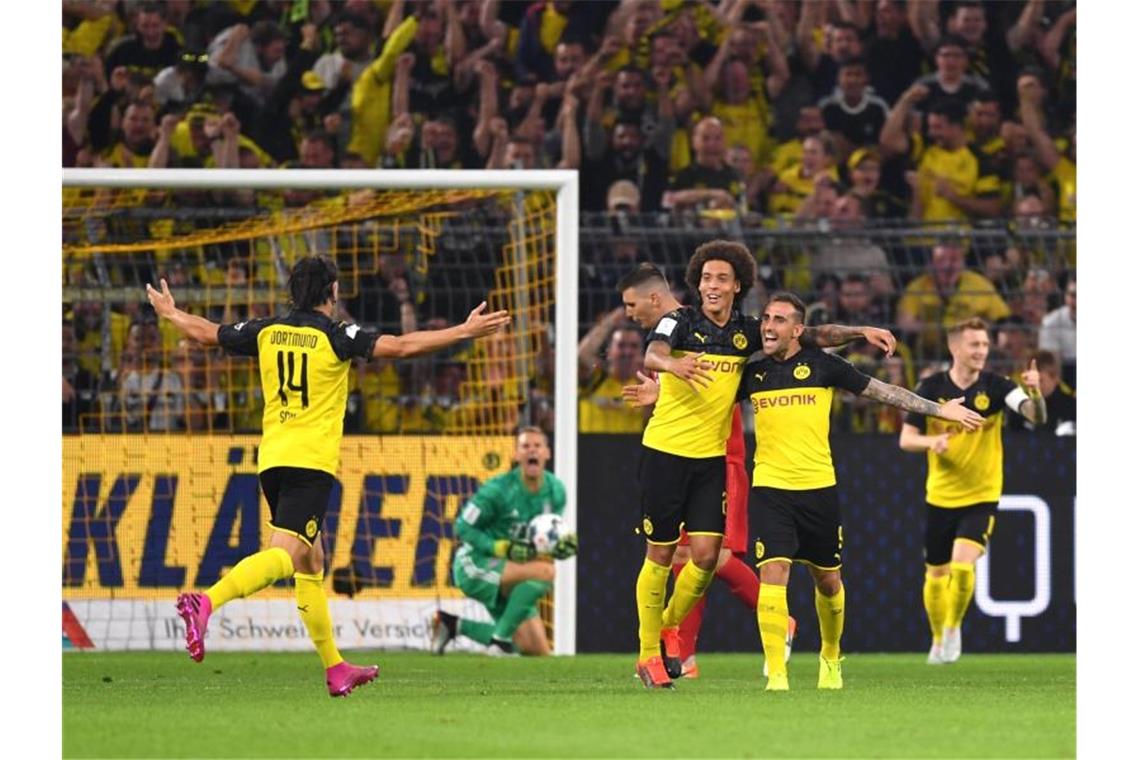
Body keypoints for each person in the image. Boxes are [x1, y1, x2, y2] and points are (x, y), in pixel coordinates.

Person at [147, 255, 509, 697]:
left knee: (311, 561)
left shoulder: (265, 330)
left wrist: (170, 313)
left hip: (273, 460)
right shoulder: (335, 336)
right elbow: (399, 347)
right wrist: (463, 331)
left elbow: (206, 334)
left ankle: (335, 668)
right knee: (287, 553)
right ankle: (205, 602)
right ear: (332, 293)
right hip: (310, 463)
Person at [617, 249, 894, 689]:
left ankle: (668, 626)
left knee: (707, 558)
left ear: (737, 286)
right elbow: (654, 351)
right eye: (706, 277)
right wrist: (672, 368)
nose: (712, 285)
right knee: (662, 553)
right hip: (665, 453)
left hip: (709, 460)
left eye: (721, 279)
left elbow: (814, 334)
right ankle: (649, 653)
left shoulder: (748, 333)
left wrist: (861, 330)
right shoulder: (680, 321)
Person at [742, 293, 983, 691]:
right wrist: (659, 395)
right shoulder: (752, 374)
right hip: (771, 487)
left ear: (798, 330)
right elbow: (711, 399)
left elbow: (885, 391)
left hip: (818, 488)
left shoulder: (825, 365)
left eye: (779, 320)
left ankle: (831, 655)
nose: (768, 326)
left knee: (828, 581)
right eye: (766, 318)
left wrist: (939, 410)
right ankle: (777, 675)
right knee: (774, 571)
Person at [898, 318, 1046, 666]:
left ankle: (952, 629)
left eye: (984, 344)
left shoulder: (998, 387)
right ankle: (937, 639)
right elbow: (906, 439)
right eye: (974, 344)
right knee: (936, 575)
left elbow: (1034, 415)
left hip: (981, 494)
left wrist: (1035, 392)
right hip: (940, 496)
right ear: (955, 348)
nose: (982, 351)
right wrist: (932, 440)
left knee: (962, 568)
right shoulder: (930, 387)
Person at [430, 427, 578, 656]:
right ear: (516, 455)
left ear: (547, 453)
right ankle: (499, 642)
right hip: (475, 564)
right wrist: (496, 547)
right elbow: (462, 526)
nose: (532, 451)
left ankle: (453, 625)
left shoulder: (555, 491)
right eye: (526, 446)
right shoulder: (497, 490)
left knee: (535, 649)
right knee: (546, 572)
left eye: (537, 446)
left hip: (511, 572)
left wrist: (559, 547)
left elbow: (542, 543)